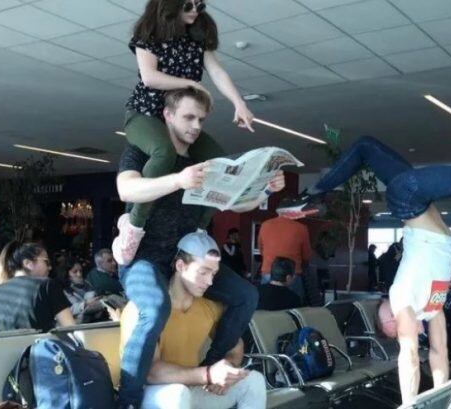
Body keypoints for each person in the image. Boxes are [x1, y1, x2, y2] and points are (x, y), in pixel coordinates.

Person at [278, 49, 451, 404]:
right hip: (413, 200)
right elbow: (438, 351)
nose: (400, 328)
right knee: (366, 147)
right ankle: (313, 194)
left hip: (410, 200)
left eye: (391, 325)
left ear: (389, 317)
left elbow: (408, 358)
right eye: (396, 328)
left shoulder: (402, 298)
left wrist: (409, 404)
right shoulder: (430, 307)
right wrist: (441, 398)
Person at [114, 86, 285, 408]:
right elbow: (127, 190)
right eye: (188, 117)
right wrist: (178, 180)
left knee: (246, 296)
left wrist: (264, 190)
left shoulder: (204, 162)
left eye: (201, 119)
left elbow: (236, 203)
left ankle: (211, 368)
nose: (195, 125)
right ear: (167, 114)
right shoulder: (142, 151)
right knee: (154, 307)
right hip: (144, 260)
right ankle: (128, 402)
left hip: (188, 258)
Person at [113, 0, 255, 265]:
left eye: (200, 6)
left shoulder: (196, 38)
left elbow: (217, 71)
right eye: (188, 4)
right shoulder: (149, 36)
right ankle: (133, 225)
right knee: (163, 150)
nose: (194, 11)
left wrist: (239, 103)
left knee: (221, 167)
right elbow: (149, 77)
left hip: (177, 118)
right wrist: (191, 83)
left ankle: (199, 226)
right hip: (145, 115)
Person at [120, 231, 266, 409]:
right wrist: (207, 374)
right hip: (152, 393)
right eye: (203, 272)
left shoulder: (210, 306)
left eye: (213, 274)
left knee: (254, 381)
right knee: (177, 394)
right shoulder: (145, 308)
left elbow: (235, 349)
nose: (210, 282)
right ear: (180, 266)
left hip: (191, 387)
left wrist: (226, 371)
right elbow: (151, 373)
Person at [0, 241, 76, 332]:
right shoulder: (46, 285)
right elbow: (70, 328)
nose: (50, 268)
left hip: (8, 346)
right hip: (41, 345)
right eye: (46, 262)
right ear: (27, 263)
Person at [257, 204, 312, 300]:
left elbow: (261, 249)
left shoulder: (265, 225)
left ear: (278, 211)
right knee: (294, 307)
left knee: (266, 305)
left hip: (268, 271)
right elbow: (306, 255)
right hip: (292, 274)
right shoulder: (301, 228)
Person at [58, 256, 110, 324]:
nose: (79, 274)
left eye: (80, 271)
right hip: (77, 322)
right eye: (75, 272)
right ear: (67, 273)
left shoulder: (87, 284)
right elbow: (66, 311)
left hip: (94, 318)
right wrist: (86, 303)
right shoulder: (62, 289)